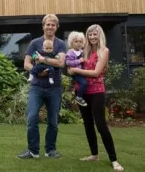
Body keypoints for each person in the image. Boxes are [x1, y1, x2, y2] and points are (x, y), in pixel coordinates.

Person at [68, 24, 124, 171]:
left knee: (101, 125)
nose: (92, 37)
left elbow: (96, 72)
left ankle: (114, 160)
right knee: (87, 124)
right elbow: (70, 65)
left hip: (97, 91)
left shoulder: (104, 51)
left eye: (95, 34)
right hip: (81, 91)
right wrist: (71, 67)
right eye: (90, 34)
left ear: (100, 35)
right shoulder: (83, 51)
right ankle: (94, 155)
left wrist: (75, 70)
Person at [16, 14, 66, 159]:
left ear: (57, 27)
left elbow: (61, 63)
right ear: (43, 26)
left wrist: (44, 60)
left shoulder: (61, 44)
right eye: (47, 24)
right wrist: (36, 71)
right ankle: (33, 151)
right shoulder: (34, 43)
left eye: (53, 24)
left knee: (53, 122)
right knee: (32, 118)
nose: (50, 27)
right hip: (37, 87)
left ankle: (50, 150)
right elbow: (27, 63)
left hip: (54, 87)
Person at [65, 31, 87, 107]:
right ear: (71, 42)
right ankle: (79, 97)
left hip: (81, 72)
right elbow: (68, 62)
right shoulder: (70, 52)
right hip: (75, 73)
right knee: (84, 83)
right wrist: (78, 61)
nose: (78, 43)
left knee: (85, 83)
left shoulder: (82, 51)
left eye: (80, 42)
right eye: (76, 41)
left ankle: (81, 95)